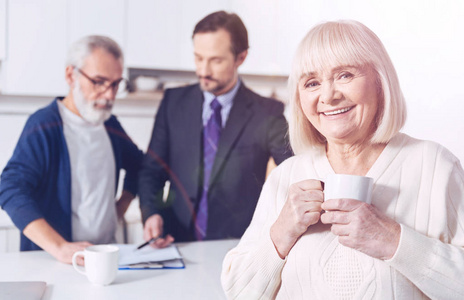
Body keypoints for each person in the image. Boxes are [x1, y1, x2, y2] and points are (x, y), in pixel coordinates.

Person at [221, 20, 464, 299]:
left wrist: (394, 241)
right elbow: (237, 293)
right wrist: (281, 232)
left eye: (345, 75)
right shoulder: (286, 177)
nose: (328, 96)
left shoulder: (436, 167)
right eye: (312, 83)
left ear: (380, 81)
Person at [138, 11, 292, 246]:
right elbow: (152, 171)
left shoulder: (267, 111)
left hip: (238, 245)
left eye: (215, 60)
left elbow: (294, 169)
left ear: (240, 57)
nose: (203, 70)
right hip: (175, 242)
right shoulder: (173, 103)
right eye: (198, 58)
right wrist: (151, 212)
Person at [0, 35, 143, 265]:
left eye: (116, 84)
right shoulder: (44, 125)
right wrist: (60, 248)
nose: (109, 95)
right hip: (55, 262)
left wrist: (120, 207)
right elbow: (10, 188)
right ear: (70, 75)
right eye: (99, 81)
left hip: (103, 258)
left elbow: (140, 166)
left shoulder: (110, 124)